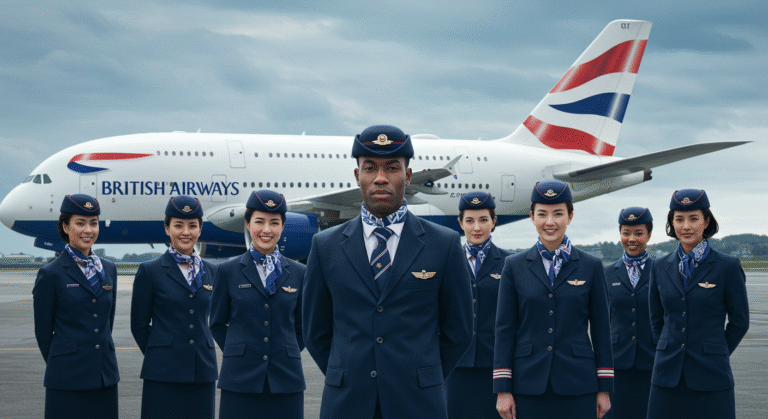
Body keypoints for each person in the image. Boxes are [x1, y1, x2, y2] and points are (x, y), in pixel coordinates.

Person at [302, 125, 473, 419]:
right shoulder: (325, 246)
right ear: (358, 176)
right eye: (370, 168)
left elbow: (459, 331)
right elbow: (315, 332)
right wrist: (346, 373)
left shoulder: (443, 245)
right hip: (347, 403)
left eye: (392, 168)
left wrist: (422, 376)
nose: (380, 178)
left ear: (407, 175)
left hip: (418, 403)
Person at [494, 181, 613, 419]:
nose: (550, 222)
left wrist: (605, 389)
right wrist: (502, 389)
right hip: (527, 384)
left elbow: (602, 330)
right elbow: (504, 329)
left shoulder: (591, 267)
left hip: (578, 384)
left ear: (570, 216)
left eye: (558, 214)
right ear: (532, 217)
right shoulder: (513, 267)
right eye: (542, 214)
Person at [646, 189, 749, 419]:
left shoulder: (727, 266)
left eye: (694, 218)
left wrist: (716, 351)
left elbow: (740, 321)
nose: (686, 226)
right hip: (666, 375)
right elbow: (655, 319)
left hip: (711, 374)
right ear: (671, 223)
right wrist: (668, 348)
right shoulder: (659, 266)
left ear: (706, 221)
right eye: (679, 219)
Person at [210, 190, 306, 419]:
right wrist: (240, 351)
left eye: (274, 223)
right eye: (259, 222)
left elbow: (304, 327)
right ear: (247, 223)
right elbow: (216, 323)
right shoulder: (227, 271)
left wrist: (284, 350)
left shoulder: (300, 273)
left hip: (286, 379)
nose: (267, 230)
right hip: (239, 379)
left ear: (283, 226)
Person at [130, 196, 218, 418]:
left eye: (192, 226)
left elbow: (219, 318)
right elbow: (139, 325)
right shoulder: (150, 271)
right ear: (167, 228)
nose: (185, 232)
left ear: (200, 229)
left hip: (202, 371)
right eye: (178, 225)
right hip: (162, 372)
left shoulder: (212, 271)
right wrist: (160, 353)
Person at [32, 194, 119, 419]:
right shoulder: (50, 274)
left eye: (93, 223)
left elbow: (106, 323)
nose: (88, 230)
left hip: (104, 377)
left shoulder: (109, 269)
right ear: (65, 226)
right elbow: (43, 332)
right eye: (80, 223)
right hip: (66, 378)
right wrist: (63, 362)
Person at [445, 191, 513, 418]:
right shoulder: (447, 263)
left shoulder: (510, 264)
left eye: (483, 220)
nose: (476, 227)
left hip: (495, 367)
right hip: (454, 367)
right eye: (470, 220)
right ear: (460, 222)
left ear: (494, 222)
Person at [603, 207, 655, 419]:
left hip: (652, 361)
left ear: (649, 235)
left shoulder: (662, 270)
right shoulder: (606, 273)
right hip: (617, 363)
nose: (632, 239)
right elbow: (601, 322)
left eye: (638, 233)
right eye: (626, 233)